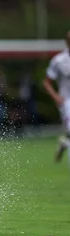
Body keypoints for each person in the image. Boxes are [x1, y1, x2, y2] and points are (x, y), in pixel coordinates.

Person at [43, 31, 70, 163]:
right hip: (67, 101)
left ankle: (65, 142)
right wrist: (56, 97)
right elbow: (47, 82)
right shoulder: (59, 60)